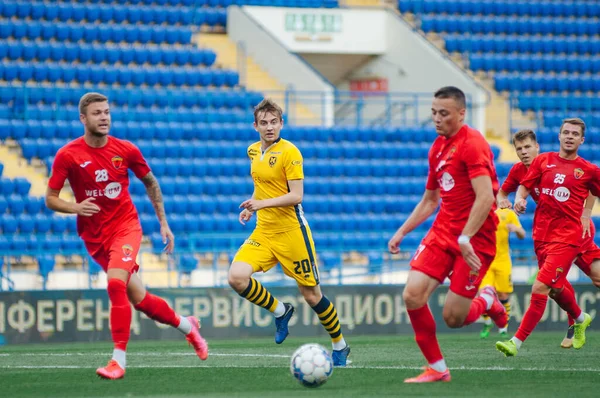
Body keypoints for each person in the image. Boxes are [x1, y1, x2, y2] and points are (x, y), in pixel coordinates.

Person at [46, 93, 208, 380]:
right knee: (141, 300)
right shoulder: (68, 155)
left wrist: (163, 223)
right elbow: (50, 198)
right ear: (83, 119)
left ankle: (118, 360)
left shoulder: (126, 150)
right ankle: (188, 326)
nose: (104, 117)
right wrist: (75, 207)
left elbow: (151, 182)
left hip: (126, 227)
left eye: (107, 112)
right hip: (94, 237)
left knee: (114, 284)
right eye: (97, 113)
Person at [387, 86, 507, 383]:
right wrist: (402, 231)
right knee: (412, 295)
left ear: (461, 113)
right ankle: (438, 369)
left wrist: (465, 237)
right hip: (443, 232)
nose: (437, 119)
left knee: (454, 318)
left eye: (444, 113)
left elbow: (485, 199)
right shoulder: (437, 148)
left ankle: (488, 301)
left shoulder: (472, 144)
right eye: (433, 113)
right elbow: (431, 200)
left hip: (476, 238)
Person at [227, 99, 351, 366]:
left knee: (312, 295)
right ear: (255, 126)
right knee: (236, 277)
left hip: (292, 232)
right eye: (264, 123)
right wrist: (252, 206)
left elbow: (296, 196)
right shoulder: (252, 151)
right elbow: (262, 188)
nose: (269, 127)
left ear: (281, 123)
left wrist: (261, 204)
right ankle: (281, 311)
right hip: (264, 231)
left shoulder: (290, 152)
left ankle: (340, 345)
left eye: (274, 122)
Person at [496, 118, 600, 357]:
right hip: (546, 235)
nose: (523, 152)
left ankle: (517, 341)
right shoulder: (537, 166)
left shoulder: (582, 168)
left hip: (575, 234)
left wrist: (586, 214)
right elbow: (509, 190)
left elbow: (592, 185)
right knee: (555, 287)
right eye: (519, 149)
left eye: (527, 147)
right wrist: (513, 199)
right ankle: (579, 319)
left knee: (542, 286)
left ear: (537, 146)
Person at [479, 207, 525, 339]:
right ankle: (487, 323)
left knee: (503, 294)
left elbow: (522, 234)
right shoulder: (482, 210)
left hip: (503, 260)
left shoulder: (508, 213)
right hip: (485, 260)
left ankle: (503, 327)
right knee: (483, 293)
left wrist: (516, 229)